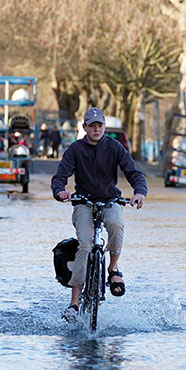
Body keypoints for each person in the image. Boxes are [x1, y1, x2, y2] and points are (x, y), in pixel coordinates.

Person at [51, 107, 148, 321]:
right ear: (84, 127)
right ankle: (74, 303)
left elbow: (134, 173)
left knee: (115, 223)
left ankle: (113, 270)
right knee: (85, 245)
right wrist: (60, 191)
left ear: (104, 127)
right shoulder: (75, 149)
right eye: (92, 126)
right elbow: (60, 176)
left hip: (110, 200)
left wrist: (139, 193)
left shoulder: (115, 148)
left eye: (100, 126)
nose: (96, 129)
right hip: (83, 202)